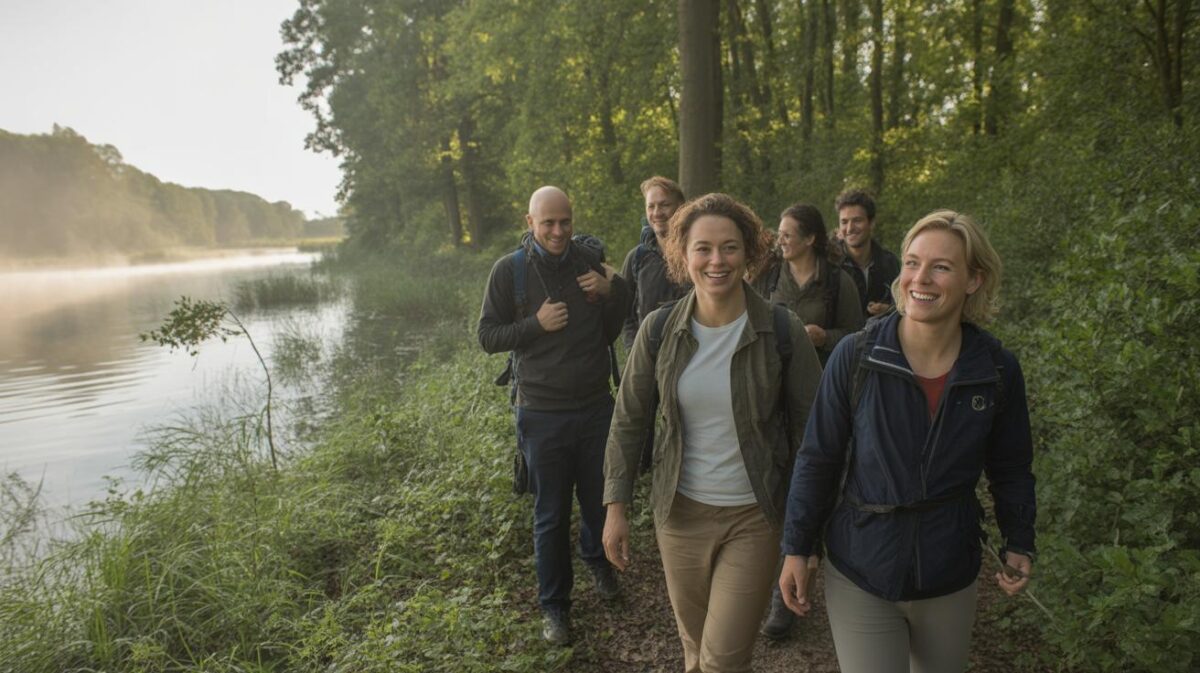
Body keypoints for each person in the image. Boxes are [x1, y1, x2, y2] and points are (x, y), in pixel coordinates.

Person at [779, 210, 1037, 673]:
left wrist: (1019, 539)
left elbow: (1011, 466)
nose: (921, 278)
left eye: (941, 266)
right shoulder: (855, 357)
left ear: (973, 280)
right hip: (861, 566)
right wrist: (798, 547)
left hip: (949, 569)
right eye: (913, 262)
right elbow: (817, 458)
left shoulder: (995, 370)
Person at [603, 193, 823, 672]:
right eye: (703, 248)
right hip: (678, 516)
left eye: (729, 248)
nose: (716, 260)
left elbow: (815, 439)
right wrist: (616, 507)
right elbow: (629, 418)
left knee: (722, 659)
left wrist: (805, 539)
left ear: (750, 253)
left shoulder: (783, 331)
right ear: (683, 256)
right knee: (694, 653)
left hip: (754, 516)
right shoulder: (659, 330)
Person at [477, 186, 631, 646]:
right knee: (549, 514)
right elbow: (487, 336)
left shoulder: (591, 261)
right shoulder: (510, 272)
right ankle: (555, 609)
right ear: (530, 223)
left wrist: (612, 290)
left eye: (564, 221)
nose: (558, 231)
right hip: (540, 413)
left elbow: (615, 325)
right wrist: (534, 325)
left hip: (595, 407)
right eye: (548, 223)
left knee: (597, 500)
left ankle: (598, 565)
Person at [754, 203, 865, 365]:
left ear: (809, 239)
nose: (780, 241)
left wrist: (825, 338)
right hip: (774, 379)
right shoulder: (768, 277)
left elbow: (857, 336)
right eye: (779, 235)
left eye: (787, 236)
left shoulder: (839, 282)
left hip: (821, 379)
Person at [620, 176, 691, 350]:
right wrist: (635, 348)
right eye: (651, 206)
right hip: (649, 361)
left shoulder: (699, 254)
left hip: (694, 357)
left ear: (681, 207)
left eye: (664, 205)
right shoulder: (636, 258)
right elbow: (624, 312)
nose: (657, 213)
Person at [834, 189, 900, 317]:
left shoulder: (889, 262)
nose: (850, 228)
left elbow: (903, 306)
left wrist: (889, 309)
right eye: (844, 222)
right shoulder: (830, 264)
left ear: (872, 223)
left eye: (857, 220)